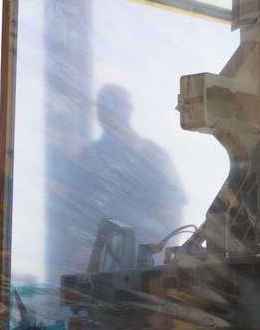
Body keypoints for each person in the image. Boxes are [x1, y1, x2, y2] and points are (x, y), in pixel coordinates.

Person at [70, 84, 187, 270]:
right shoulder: (89, 157)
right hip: (99, 260)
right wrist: (81, 248)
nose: (107, 113)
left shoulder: (152, 155)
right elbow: (76, 207)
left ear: (128, 111)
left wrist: (161, 251)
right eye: (102, 107)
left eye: (114, 106)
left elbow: (174, 206)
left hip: (147, 258)